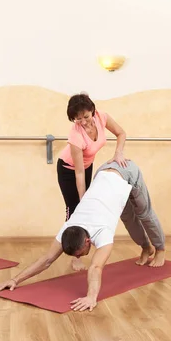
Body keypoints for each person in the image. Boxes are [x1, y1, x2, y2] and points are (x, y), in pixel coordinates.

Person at [0, 160, 166, 312]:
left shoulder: (102, 231)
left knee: (144, 214)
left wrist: (91, 297)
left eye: (79, 253)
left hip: (126, 171)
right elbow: (46, 260)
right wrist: (15, 280)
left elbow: (96, 268)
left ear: (88, 240)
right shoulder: (68, 227)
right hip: (103, 173)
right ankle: (146, 248)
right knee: (128, 219)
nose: (78, 256)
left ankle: (160, 249)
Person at [57, 92, 127, 271]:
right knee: (75, 210)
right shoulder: (75, 136)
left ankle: (85, 243)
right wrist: (84, 200)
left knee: (86, 208)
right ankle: (75, 255)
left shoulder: (102, 117)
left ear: (92, 111)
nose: (83, 121)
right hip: (68, 170)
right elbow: (78, 173)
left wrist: (118, 153)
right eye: (78, 119)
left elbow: (121, 133)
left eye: (86, 116)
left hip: (86, 167)